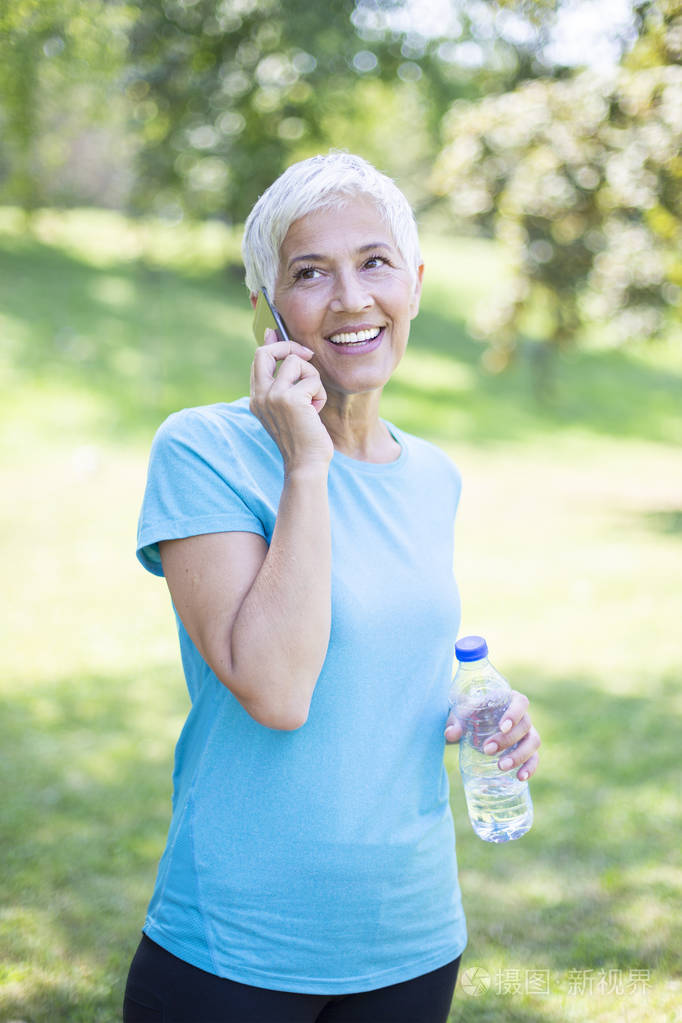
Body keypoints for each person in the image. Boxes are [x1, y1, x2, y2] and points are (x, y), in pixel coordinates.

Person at [123, 152, 540, 1023]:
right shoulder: (203, 451)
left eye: (374, 262)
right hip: (240, 945)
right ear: (266, 312)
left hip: (411, 935)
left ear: (414, 286)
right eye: (310, 273)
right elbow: (276, 688)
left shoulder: (434, 476)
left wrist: (471, 710)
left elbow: (380, 662)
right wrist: (305, 464)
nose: (351, 299)